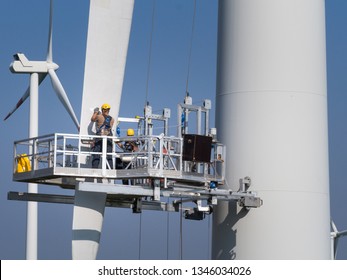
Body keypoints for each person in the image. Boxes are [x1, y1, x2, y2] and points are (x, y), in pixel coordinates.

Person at [90, 103, 116, 169]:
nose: (106, 111)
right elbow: (109, 128)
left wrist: (95, 112)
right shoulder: (112, 119)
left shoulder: (99, 116)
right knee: (108, 154)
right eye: (106, 110)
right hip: (108, 138)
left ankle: (94, 169)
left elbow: (92, 119)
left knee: (97, 154)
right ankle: (109, 169)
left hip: (100, 137)